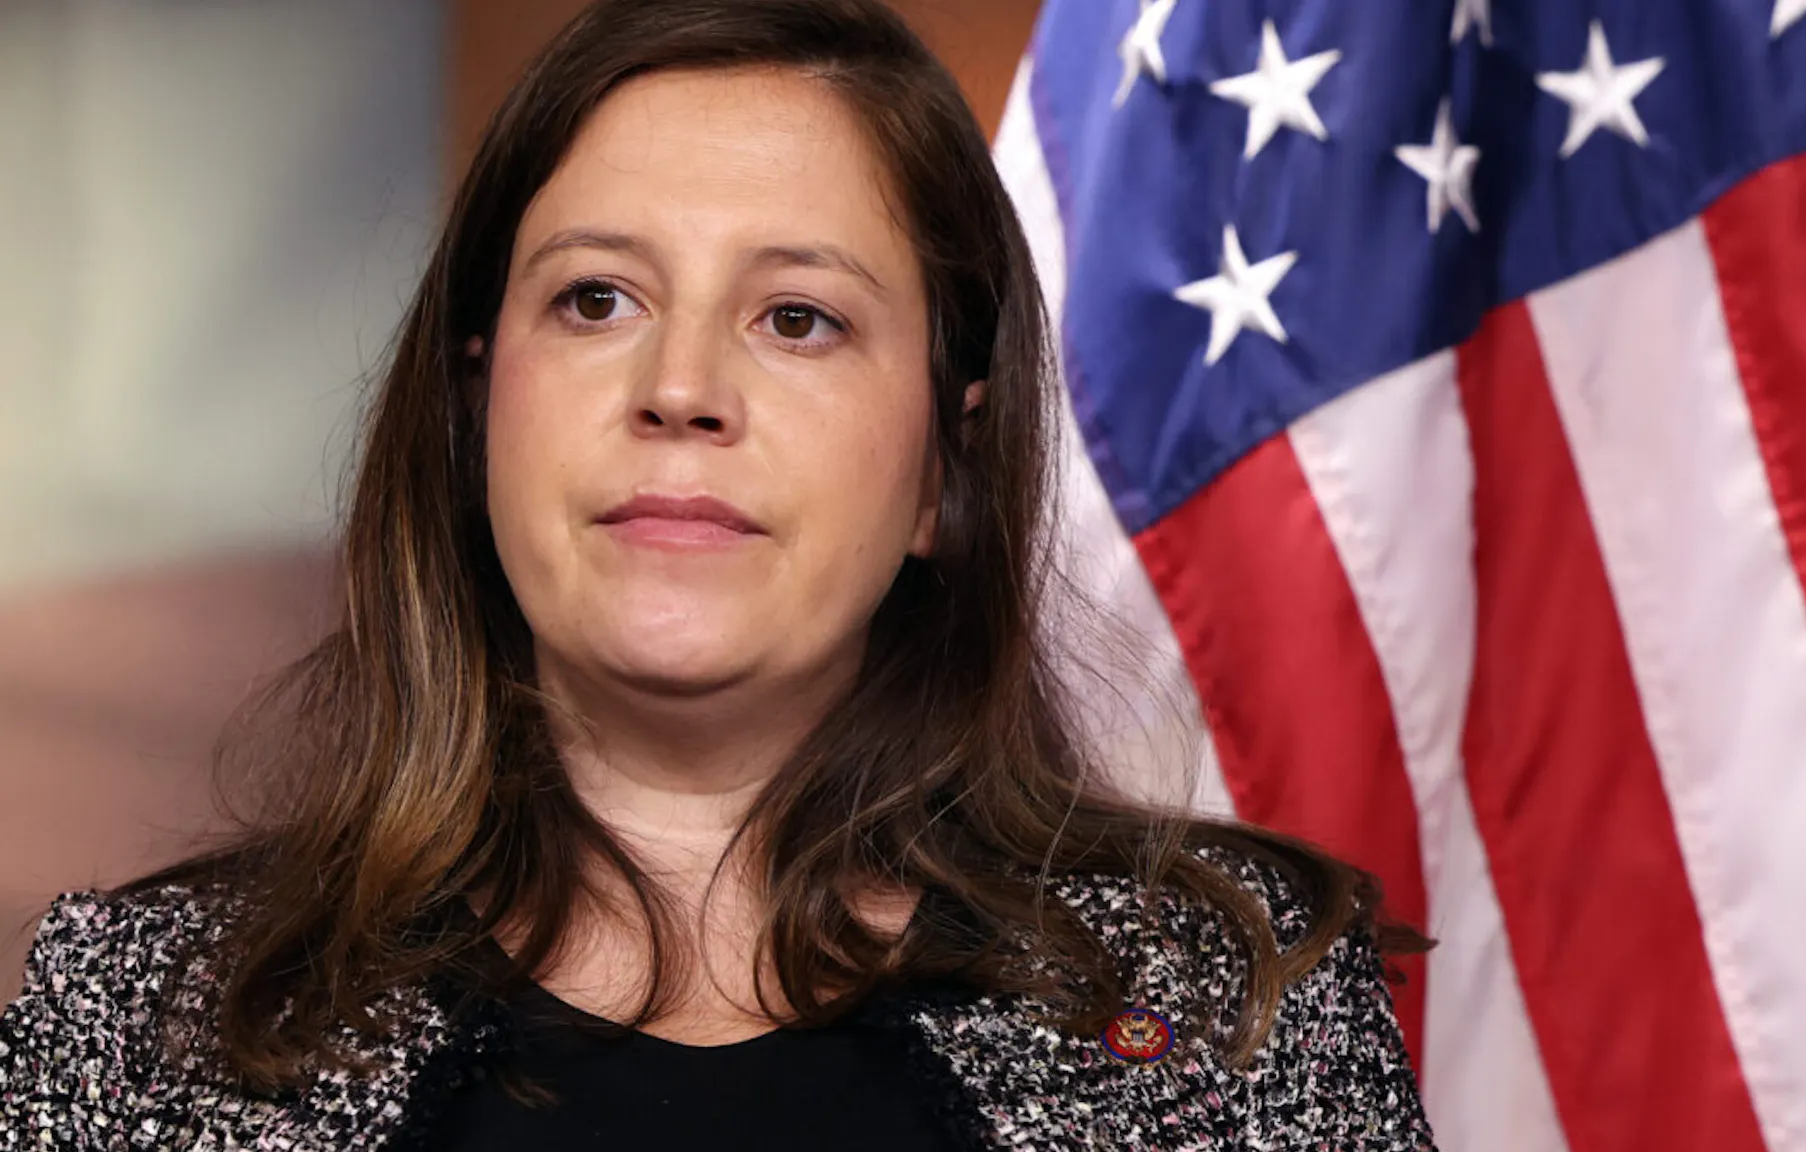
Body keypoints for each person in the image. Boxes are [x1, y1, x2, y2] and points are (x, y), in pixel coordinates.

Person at [0, 1, 1434, 1147]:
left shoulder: (1237, 1017)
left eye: (799, 318)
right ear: (473, 414)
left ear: (945, 465)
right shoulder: (140, 1022)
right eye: (597, 298)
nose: (680, 387)